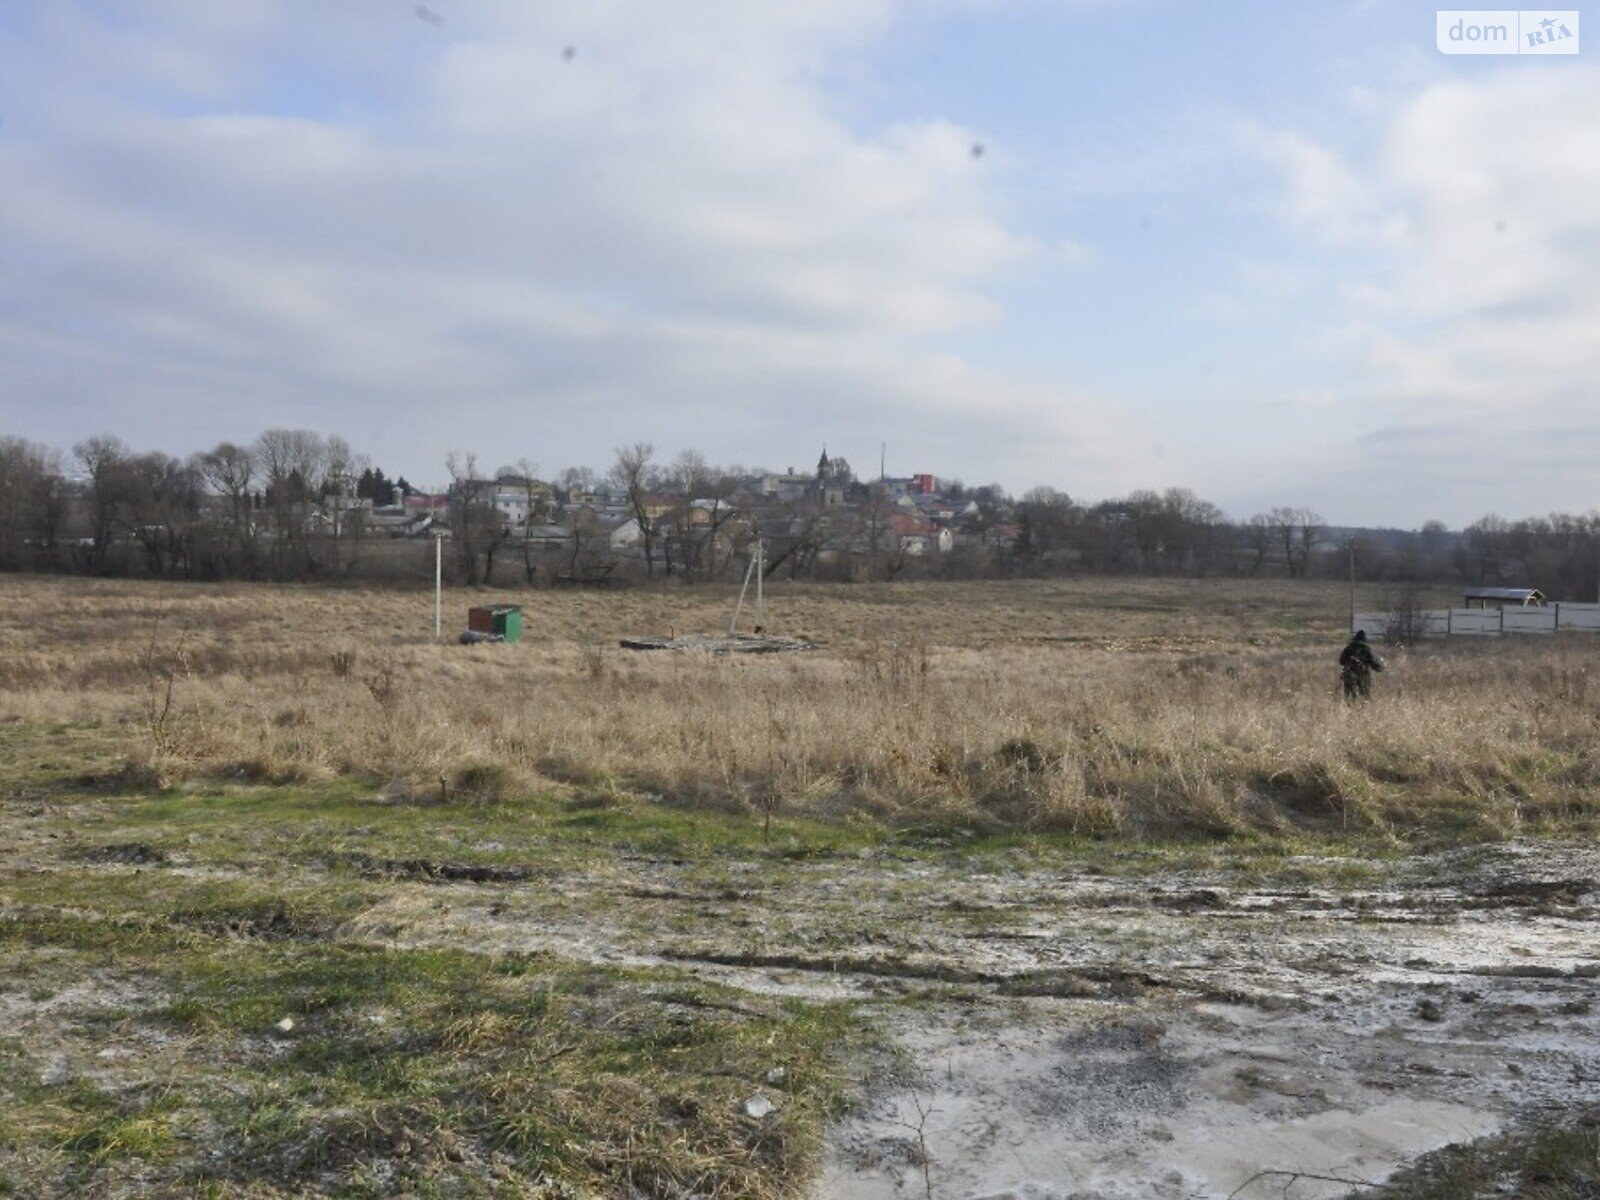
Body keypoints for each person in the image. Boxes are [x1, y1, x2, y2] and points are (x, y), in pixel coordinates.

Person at [1339, 629, 1384, 700]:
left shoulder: (1348, 648)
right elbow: (1378, 666)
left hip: (1349, 677)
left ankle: (1349, 709)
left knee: (1349, 698)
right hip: (1363, 677)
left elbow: (1341, 661)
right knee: (1365, 698)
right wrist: (1381, 665)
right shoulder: (1366, 650)